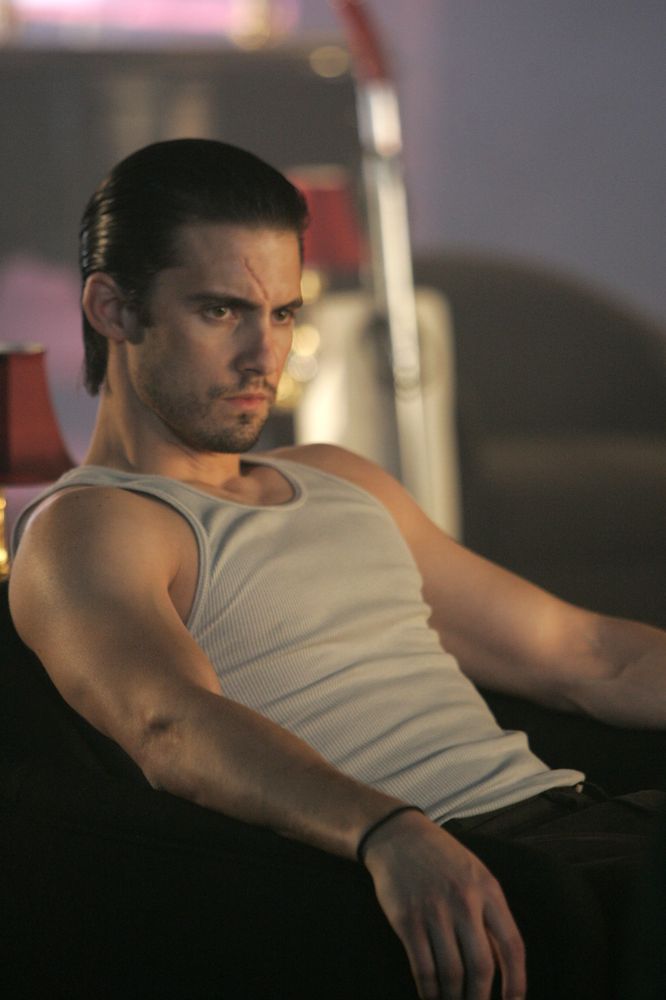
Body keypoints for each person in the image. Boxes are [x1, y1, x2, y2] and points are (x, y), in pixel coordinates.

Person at [8, 138, 666, 1000]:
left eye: (283, 313)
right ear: (112, 309)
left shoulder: (340, 479)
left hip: (588, 821)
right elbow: (170, 727)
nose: (265, 355)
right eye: (221, 311)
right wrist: (386, 831)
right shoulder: (94, 523)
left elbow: (584, 654)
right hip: (457, 866)